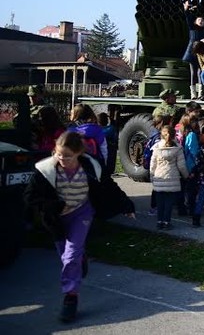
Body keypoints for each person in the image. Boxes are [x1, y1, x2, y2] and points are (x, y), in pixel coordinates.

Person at [24, 131, 135, 323]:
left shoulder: (91, 167)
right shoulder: (46, 170)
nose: (61, 159)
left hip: (81, 214)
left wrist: (126, 205)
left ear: (78, 153)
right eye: (58, 154)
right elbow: (30, 197)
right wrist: (53, 206)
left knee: (71, 255)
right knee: (67, 256)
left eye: (67, 155)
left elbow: (109, 187)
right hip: (57, 219)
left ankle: (70, 297)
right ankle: (79, 257)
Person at [149, 125, 189, 230]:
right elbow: (181, 165)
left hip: (159, 178)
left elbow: (152, 164)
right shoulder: (178, 148)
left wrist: (152, 176)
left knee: (160, 202)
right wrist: (186, 175)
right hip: (172, 178)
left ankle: (159, 221)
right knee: (169, 203)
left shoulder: (156, 147)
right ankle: (167, 222)